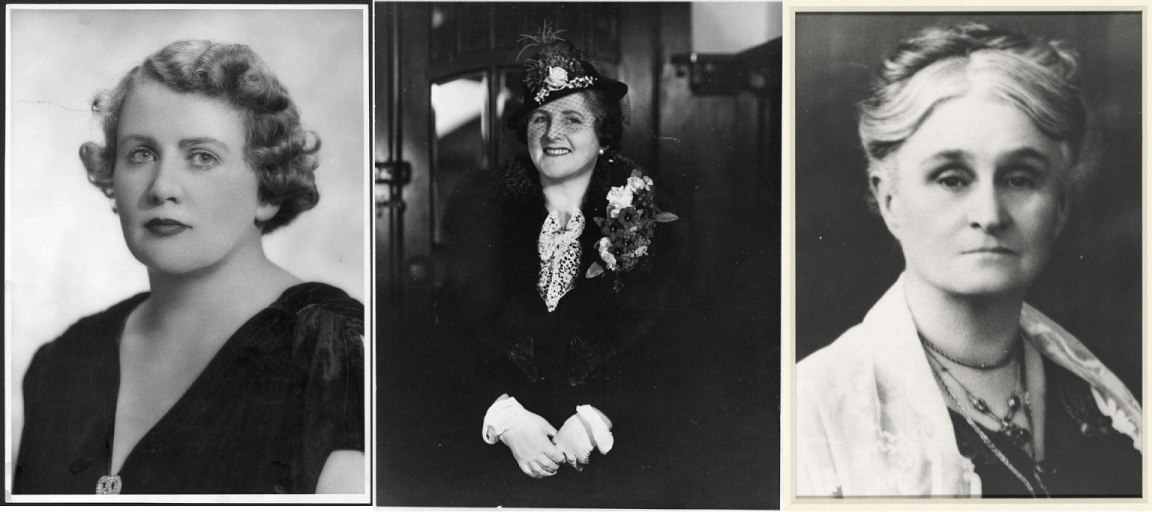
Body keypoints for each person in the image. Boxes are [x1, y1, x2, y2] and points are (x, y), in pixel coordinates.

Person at [796, 23, 1141, 498]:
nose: (989, 215)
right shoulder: (815, 409)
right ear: (891, 200)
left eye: (1019, 178)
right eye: (952, 179)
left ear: (1060, 205)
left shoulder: (1102, 396)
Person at [13, 40, 364, 495]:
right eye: (141, 153)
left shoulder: (330, 350)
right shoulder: (63, 361)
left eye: (202, 157)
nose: (162, 187)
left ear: (267, 189)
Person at [435, 24, 682, 501]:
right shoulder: (481, 216)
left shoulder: (652, 217)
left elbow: (678, 348)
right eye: (539, 120)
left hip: (621, 467)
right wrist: (506, 419)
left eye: (572, 119)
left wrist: (595, 419)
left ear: (603, 135)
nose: (552, 134)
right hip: (497, 465)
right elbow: (450, 334)